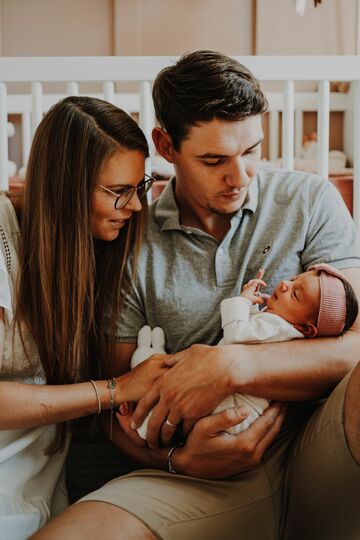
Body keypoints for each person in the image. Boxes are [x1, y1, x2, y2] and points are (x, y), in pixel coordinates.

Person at [33, 51, 360, 540]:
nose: (242, 176)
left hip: (322, 449)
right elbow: (114, 402)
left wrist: (231, 366)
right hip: (193, 478)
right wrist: (176, 459)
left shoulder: (311, 200)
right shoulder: (128, 238)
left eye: (251, 150)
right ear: (166, 145)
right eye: (214, 160)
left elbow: (355, 344)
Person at [0, 96, 170, 540]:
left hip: (37, 494)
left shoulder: (104, 251)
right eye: (118, 191)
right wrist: (114, 390)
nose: (135, 206)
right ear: (65, 186)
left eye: (141, 185)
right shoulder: (4, 238)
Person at [131, 264, 359, 439]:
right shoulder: (282, 328)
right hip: (238, 406)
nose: (284, 285)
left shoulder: (278, 328)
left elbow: (236, 335)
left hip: (235, 408)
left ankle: (142, 423)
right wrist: (254, 308)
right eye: (293, 279)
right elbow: (252, 334)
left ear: (305, 328)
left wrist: (241, 301)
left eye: (296, 294)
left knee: (179, 403)